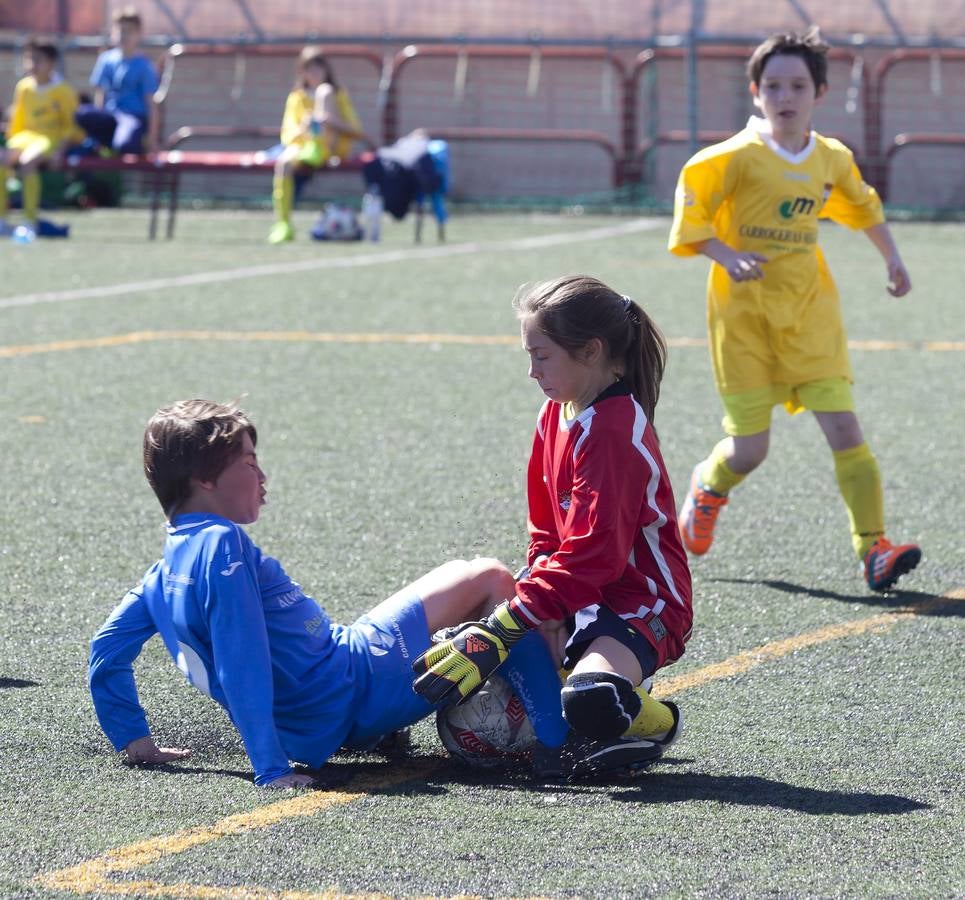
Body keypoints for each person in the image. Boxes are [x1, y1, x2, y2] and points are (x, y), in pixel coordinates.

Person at [88, 399, 630, 787]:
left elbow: (107, 651)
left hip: (317, 713)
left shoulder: (163, 574)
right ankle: (559, 745)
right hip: (354, 688)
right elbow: (241, 659)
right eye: (250, 464)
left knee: (467, 582)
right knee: (488, 575)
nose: (263, 477)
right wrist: (271, 768)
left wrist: (133, 738)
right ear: (206, 479)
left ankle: (386, 735)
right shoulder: (223, 542)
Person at [668, 29, 921, 593]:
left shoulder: (828, 158)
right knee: (751, 449)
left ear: (819, 93)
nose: (786, 96)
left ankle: (873, 548)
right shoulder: (732, 158)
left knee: (845, 428)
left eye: (798, 86)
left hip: (810, 315)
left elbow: (863, 205)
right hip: (743, 321)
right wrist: (726, 254)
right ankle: (708, 486)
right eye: (774, 85)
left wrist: (892, 258)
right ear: (756, 92)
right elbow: (694, 210)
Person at [413, 276, 691, 765]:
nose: (531, 371)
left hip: (641, 604)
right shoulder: (555, 413)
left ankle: (658, 722)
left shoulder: (613, 433)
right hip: (577, 588)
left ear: (590, 351)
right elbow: (545, 532)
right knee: (462, 635)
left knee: (589, 699)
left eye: (541, 356)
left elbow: (593, 560)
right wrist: (546, 609)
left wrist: (503, 629)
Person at [268, 46, 372, 245]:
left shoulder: (334, 94)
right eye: (309, 69)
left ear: (326, 70)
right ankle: (283, 224)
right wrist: (306, 126)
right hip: (304, 149)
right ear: (302, 72)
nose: (314, 74)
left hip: (332, 148)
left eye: (318, 68)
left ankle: (318, 145)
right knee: (283, 163)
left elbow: (356, 130)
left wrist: (329, 121)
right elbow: (287, 135)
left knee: (324, 94)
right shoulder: (297, 98)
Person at [0, 39, 80, 240]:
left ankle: (29, 221)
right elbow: (17, 122)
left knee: (28, 162)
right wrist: (11, 142)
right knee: (2, 159)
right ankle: (2, 220)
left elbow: (71, 126)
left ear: (51, 63)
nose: (31, 65)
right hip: (26, 138)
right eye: (29, 59)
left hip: (49, 139)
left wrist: (60, 151)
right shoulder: (24, 87)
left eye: (37, 60)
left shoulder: (63, 91)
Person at [74, 7, 159, 156]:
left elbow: (151, 104)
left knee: (125, 143)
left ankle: (134, 142)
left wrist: (152, 138)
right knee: (81, 113)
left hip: (131, 118)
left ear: (138, 34)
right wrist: (98, 121)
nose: (123, 35)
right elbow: (100, 95)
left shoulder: (144, 65)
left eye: (129, 31)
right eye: (120, 30)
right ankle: (98, 142)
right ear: (113, 32)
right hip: (110, 117)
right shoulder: (106, 59)